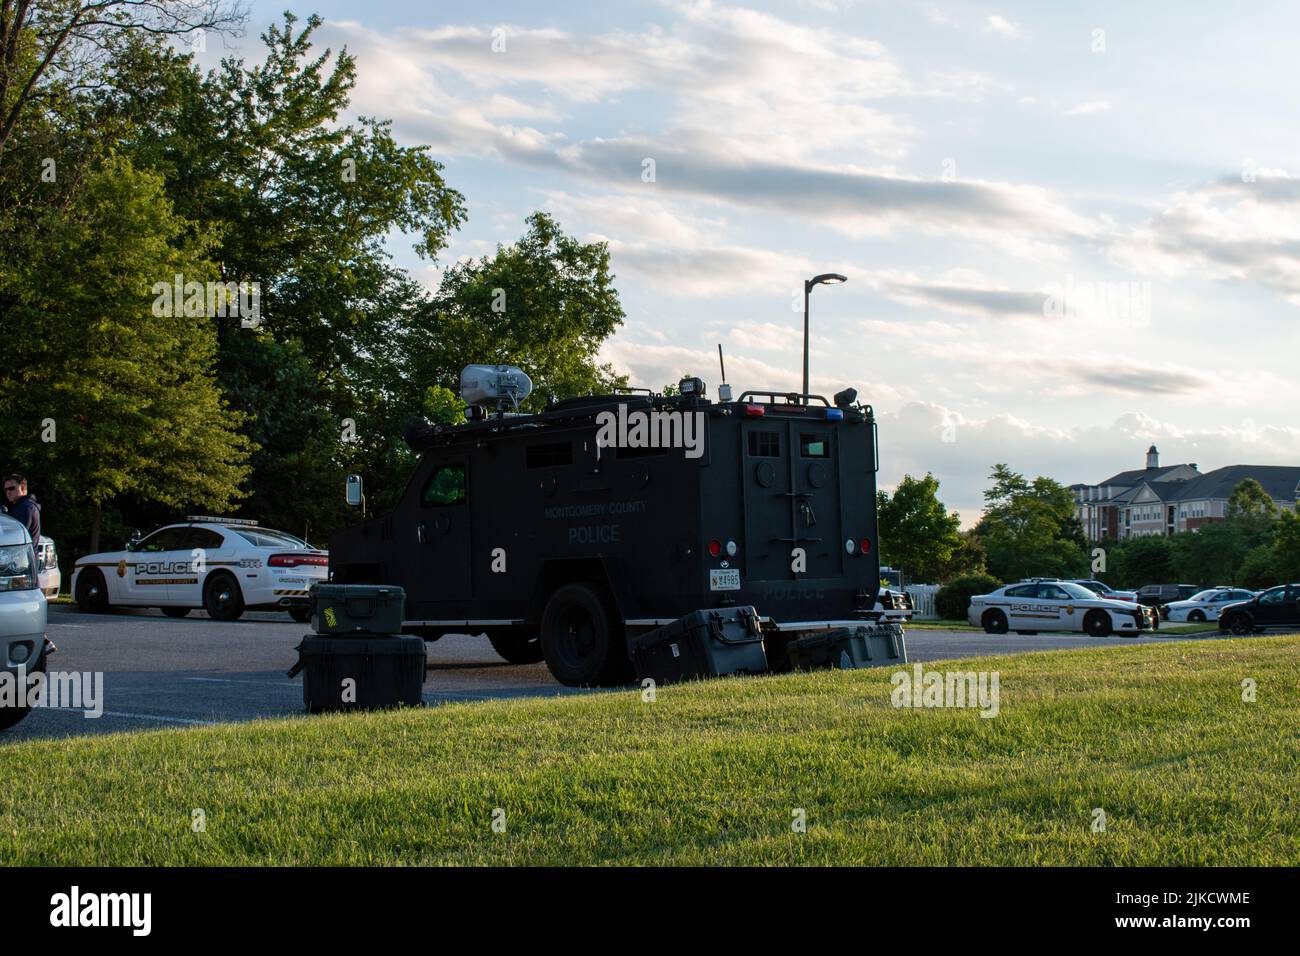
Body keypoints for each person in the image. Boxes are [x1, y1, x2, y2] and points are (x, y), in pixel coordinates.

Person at [3, 474, 40, 549]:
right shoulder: (24, 505)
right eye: (6, 490)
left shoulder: (25, 507)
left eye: (11, 488)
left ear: (23, 488)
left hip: (23, 558)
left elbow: (15, 537)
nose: (8, 492)